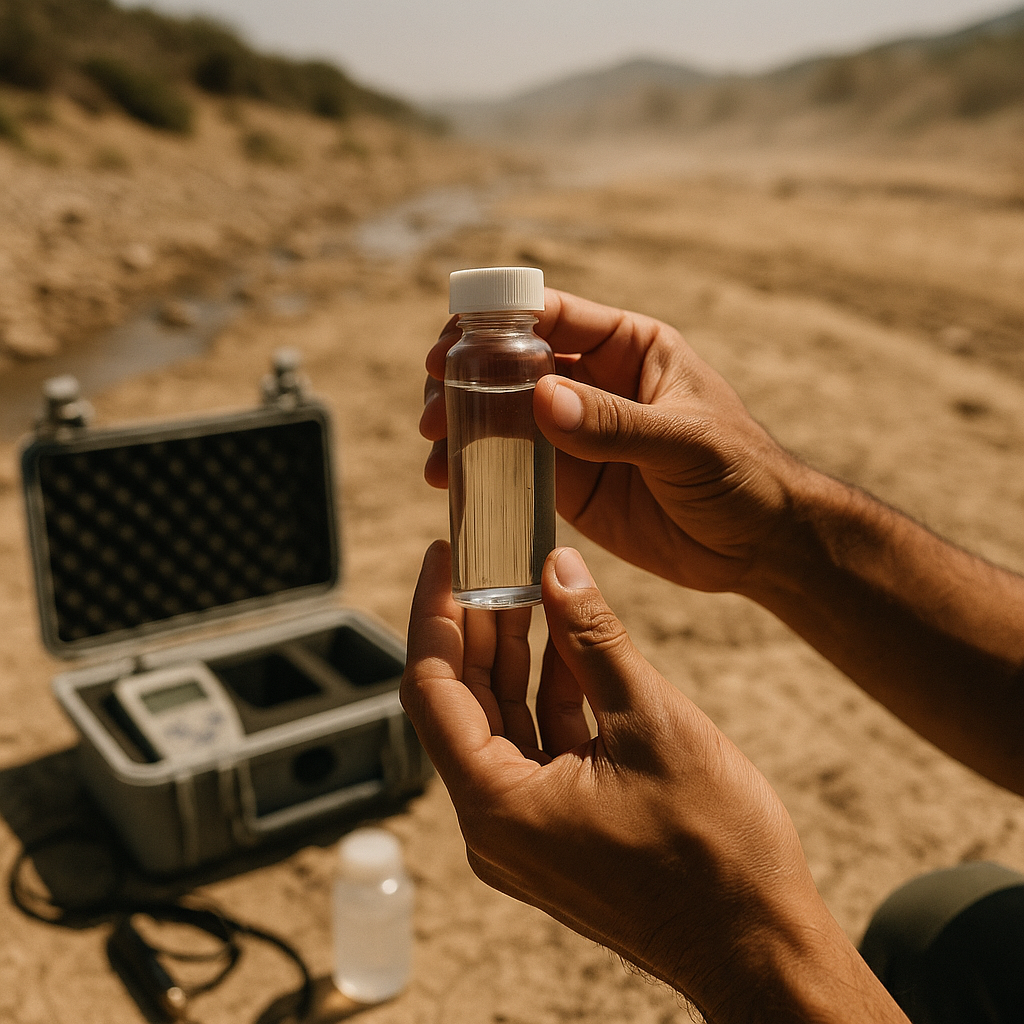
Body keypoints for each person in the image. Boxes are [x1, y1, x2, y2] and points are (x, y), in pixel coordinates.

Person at [404, 288, 1024, 1023]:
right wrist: (780, 535)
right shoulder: (512, 358)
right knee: (939, 925)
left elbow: (738, 936)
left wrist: (742, 944)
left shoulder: (510, 358)